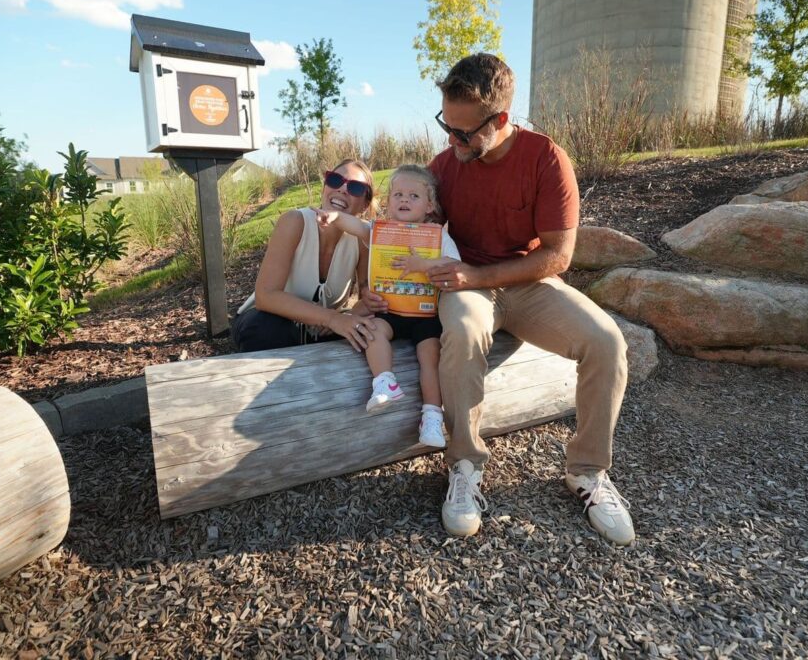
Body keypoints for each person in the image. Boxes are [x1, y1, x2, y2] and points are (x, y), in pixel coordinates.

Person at [365, 54, 635, 545]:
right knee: (465, 330)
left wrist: (479, 274)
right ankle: (465, 466)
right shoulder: (443, 168)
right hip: (463, 286)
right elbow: (403, 230)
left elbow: (558, 256)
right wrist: (372, 287)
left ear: (501, 121)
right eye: (446, 126)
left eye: (463, 133)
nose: (451, 140)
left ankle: (589, 472)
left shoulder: (546, 159)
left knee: (608, 341)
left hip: (529, 282)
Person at [316, 165, 460, 449]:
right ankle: (385, 382)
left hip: (425, 315)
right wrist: (335, 217)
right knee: (372, 331)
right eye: (398, 194)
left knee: (430, 357)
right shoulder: (382, 231)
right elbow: (357, 227)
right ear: (389, 201)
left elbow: (453, 265)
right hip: (388, 310)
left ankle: (431, 415)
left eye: (413, 196)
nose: (404, 200)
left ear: (429, 205)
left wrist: (423, 265)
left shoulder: (436, 235)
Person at [230, 159, 379, 353]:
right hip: (268, 321)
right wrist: (331, 318)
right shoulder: (294, 221)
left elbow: (367, 298)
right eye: (335, 180)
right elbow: (265, 297)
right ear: (325, 187)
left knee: (370, 329)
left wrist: (349, 317)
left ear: (365, 205)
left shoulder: (361, 238)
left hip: (320, 330)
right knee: (268, 329)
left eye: (355, 187)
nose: (342, 189)